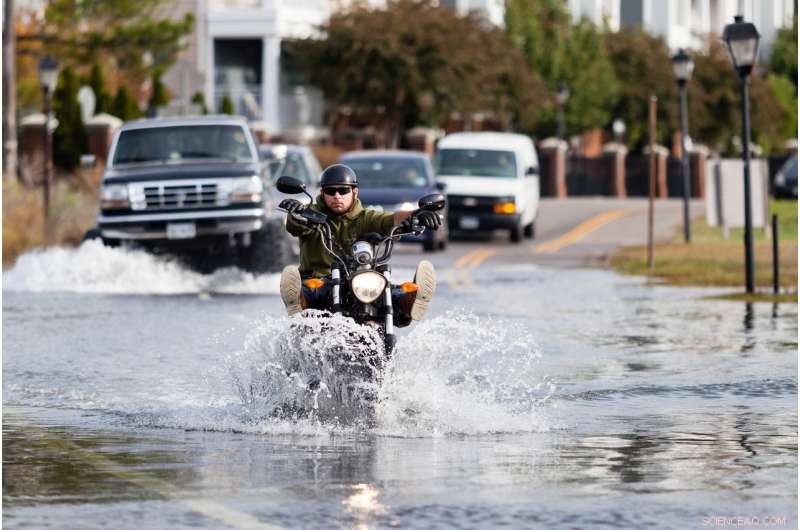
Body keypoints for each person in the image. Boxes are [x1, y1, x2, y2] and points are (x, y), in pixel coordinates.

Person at [278, 164, 441, 322]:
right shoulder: (311, 215)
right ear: (322, 192)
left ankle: (411, 300)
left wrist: (417, 214)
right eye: (330, 191)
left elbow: (391, 220)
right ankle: (297, 300)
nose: (337, 196)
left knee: (389, 290)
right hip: (320, 280)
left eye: (343, 190)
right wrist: (296, 212)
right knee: (312, 291)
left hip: (361, 280)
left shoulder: (365, 217)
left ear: (355, 192)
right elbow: (295, 225)